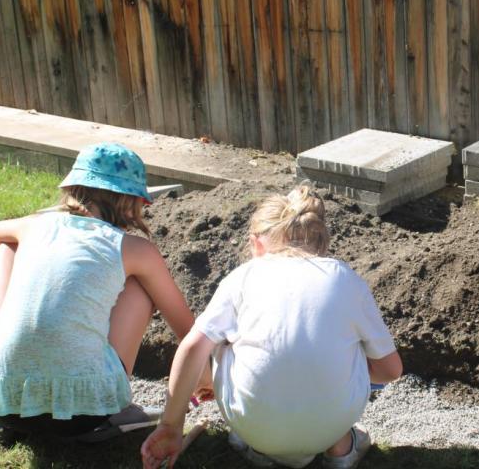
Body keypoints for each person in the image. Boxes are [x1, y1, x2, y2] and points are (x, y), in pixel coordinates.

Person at [141, 185, 402, 469]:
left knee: (217, 340)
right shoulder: (346, 280)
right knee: (343, 354)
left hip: (253, 425)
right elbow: (391, 370)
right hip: (328, 424)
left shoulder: (242, 278)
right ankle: (340, 447)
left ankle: (258, 445)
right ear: (322, 242)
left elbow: (192, 347)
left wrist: (170, 425)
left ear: (257, 243)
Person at [0, 142, 211, 443]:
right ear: (130, 201)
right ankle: (111, 408)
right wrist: (204, 375)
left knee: (6, 248)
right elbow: (186, 329)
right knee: (140, 285)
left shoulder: (34, 226)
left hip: (4, 403)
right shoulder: (134, 249)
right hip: (83, 417)